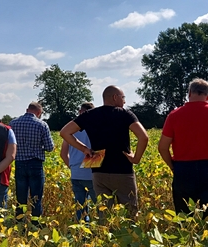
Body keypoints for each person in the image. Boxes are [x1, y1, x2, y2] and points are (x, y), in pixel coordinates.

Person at [60, 86, 148, 218]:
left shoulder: (89, 115)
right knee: (130, 213)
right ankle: (127, 237)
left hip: (98, 171)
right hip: (122, 170)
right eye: (123, 98)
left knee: (105, 214)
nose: (124, 101)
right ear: (114, 97)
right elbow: (143, 137)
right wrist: (136, 158)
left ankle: (106, 237)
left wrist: (84, 149)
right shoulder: (124, 114)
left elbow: (64, 132)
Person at [157, 79, 208, 217]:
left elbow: (162, 147)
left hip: (183, 169)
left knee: (185, 217)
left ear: (189, 93)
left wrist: (172, 166)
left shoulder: (174, 115)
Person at [10, 102, 55, 220]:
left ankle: (20, 223)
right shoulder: (42, 125)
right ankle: (36, 223)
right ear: (39, 113)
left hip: (19, 163)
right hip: (35, 164)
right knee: (36, 198)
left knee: (21, 198)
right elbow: (50, 147)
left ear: (27, 109)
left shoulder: (13, 123)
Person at [60, 102, 95, 221]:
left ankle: (81, 231)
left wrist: (72, 166)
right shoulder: (95, 128)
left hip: (76, 173)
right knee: (99, 206)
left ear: (80, 112)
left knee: (80, 206)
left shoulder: (71, 130)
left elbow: (63, 154)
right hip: (91, 172)